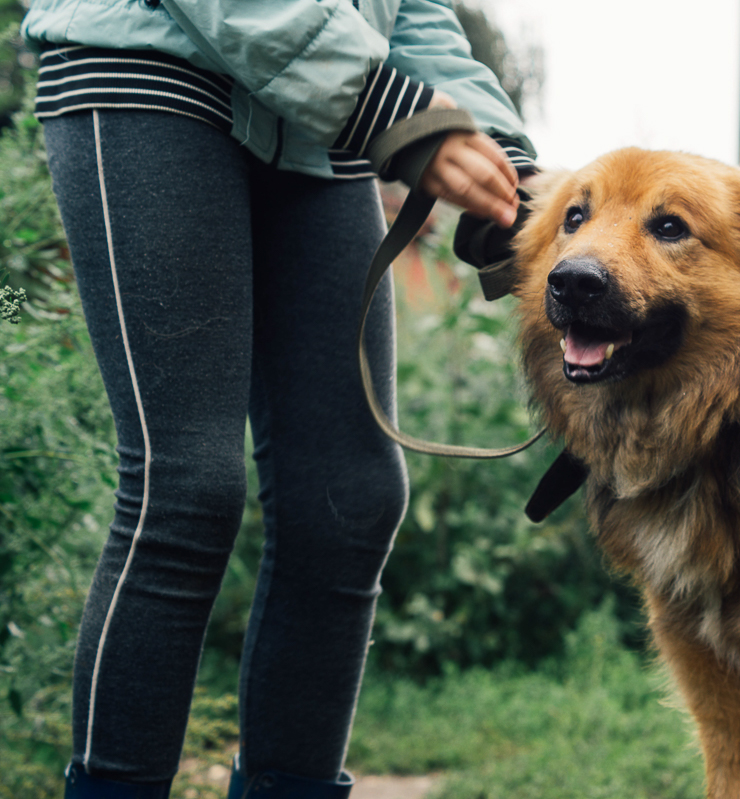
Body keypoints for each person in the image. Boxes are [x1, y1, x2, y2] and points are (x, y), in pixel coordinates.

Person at [19, 2, 536, 797]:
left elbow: (410, 10)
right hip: (157, 68)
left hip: (313, 117)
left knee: (350, 500)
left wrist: (497, 148)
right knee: (185, 491)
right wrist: (394, 109)